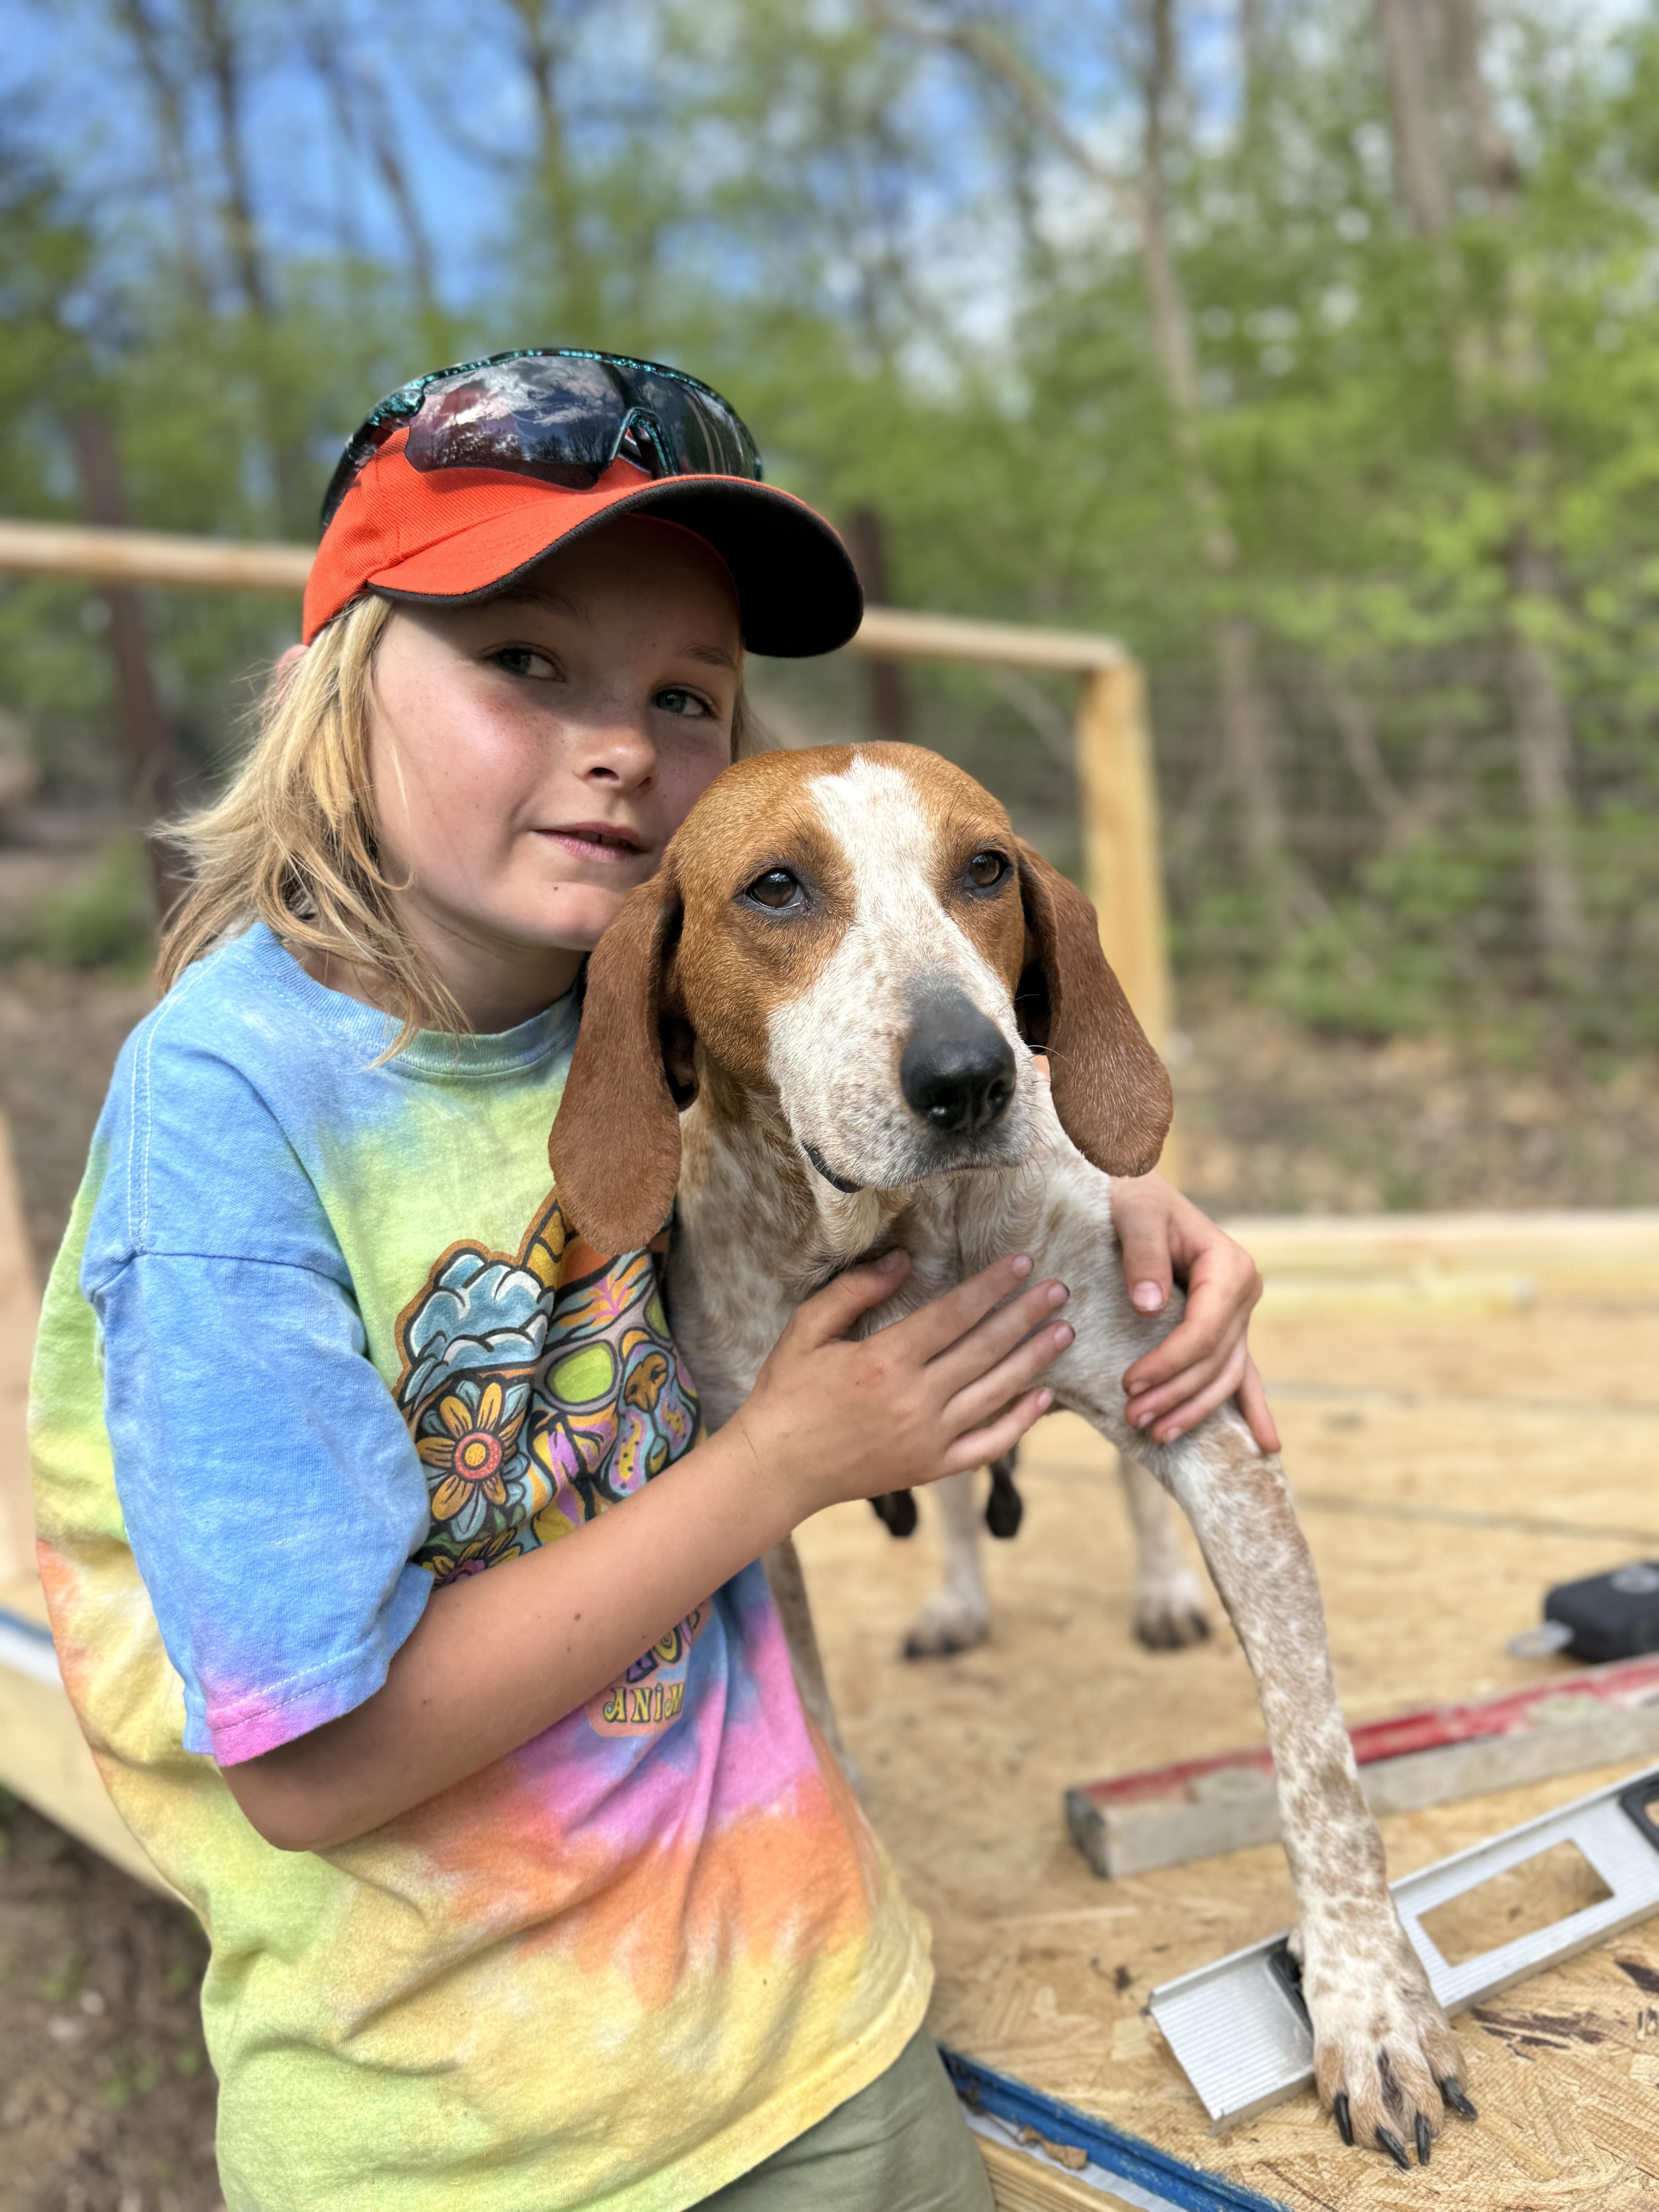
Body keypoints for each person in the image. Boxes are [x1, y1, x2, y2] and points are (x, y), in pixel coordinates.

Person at [29, 350, 1279, 2212]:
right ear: (330, 684)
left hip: (832, 2040)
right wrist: (777, 1468)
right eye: (526, 662)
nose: (620, 743)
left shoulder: (682, 996)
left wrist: (1114, 1193)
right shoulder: (230, 1117)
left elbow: (923, 1070)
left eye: (683, 694)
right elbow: (308, 1769)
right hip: (465, 2135)